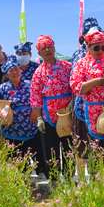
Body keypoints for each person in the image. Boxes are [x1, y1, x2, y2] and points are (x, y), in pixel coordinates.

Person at [70, 26, 104, 162]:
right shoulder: (82, 64)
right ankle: (96, 180)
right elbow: (77, 87)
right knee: (96, 148)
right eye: (96, 48)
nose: (101, 51)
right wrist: (100, 81)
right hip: (93, 110)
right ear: (88, 47)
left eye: (103, 47)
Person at [0, 55, 41, 172]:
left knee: (37, 159)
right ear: (7, 74)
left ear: (20, 70)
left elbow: (40, 97)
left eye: (16, 69)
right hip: (11, 132)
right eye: (11, 70)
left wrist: (36, 110)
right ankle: (22, 184)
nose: (14, 72)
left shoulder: (30, 85)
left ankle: (42, 179)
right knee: (18, 164)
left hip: (31, 129)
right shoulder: (3, 88)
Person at [29, 35, 73, 179]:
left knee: (68, 148)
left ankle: (69, 178)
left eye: (50, 47)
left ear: (54, 48)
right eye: (44, 48)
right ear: (39, 53)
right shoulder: (38, 72)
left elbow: (74, 87)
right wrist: (39, 118)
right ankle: (54, 181)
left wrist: (73, 103)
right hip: (48, 117)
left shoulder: (67, 66)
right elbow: (35, 97)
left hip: (67, 113)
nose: (47, 50)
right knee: (51, 149)